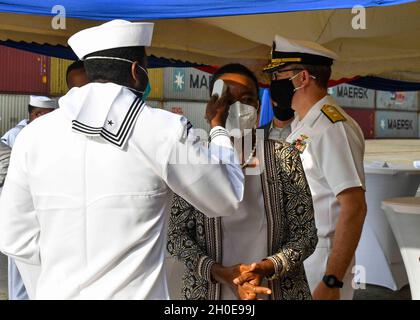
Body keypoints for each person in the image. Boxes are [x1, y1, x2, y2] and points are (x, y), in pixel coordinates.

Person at [0, 19, 244, 300]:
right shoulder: (162, 130)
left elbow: (15, 237)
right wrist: (219, 129)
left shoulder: (34, 136)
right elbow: (225, 196)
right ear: (136, 71)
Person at [168, 63, 317, 300]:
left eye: (246, 99)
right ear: (211, 106)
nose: (236, 108)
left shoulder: (283, 157)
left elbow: (306, 234)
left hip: (276, 290)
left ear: (258, 107)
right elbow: (176, 236)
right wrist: (220, 273)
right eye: (226, 100)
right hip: (209, 291)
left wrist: (267, 267)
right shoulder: (192, 158)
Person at [263, 35, 367, 300]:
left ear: (303, 77)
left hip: (319, 269)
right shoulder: (303, 124)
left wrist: (332, 281)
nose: (273, 82)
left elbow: (354, 207)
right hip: (295, 263)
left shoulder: (333, 128)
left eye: (278, 74)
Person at [0, 96, 57, 300]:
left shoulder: (48, 133)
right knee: (20, 271)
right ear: (39, 114)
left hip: (41, 211)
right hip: (22, 211)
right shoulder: (16, 136)